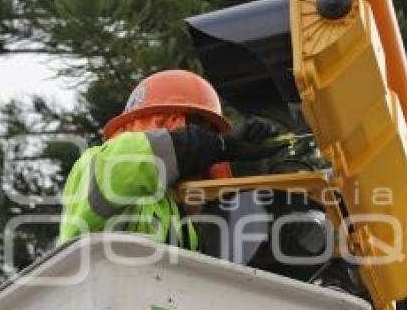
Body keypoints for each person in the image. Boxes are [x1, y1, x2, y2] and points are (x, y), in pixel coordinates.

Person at [58, 69, 285, 249]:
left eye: (210, 133)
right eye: (197, 128)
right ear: (159, 124)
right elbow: (138, 156)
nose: (205, 140)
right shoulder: (101, 164)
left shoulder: (188, 221)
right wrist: (222, 145)